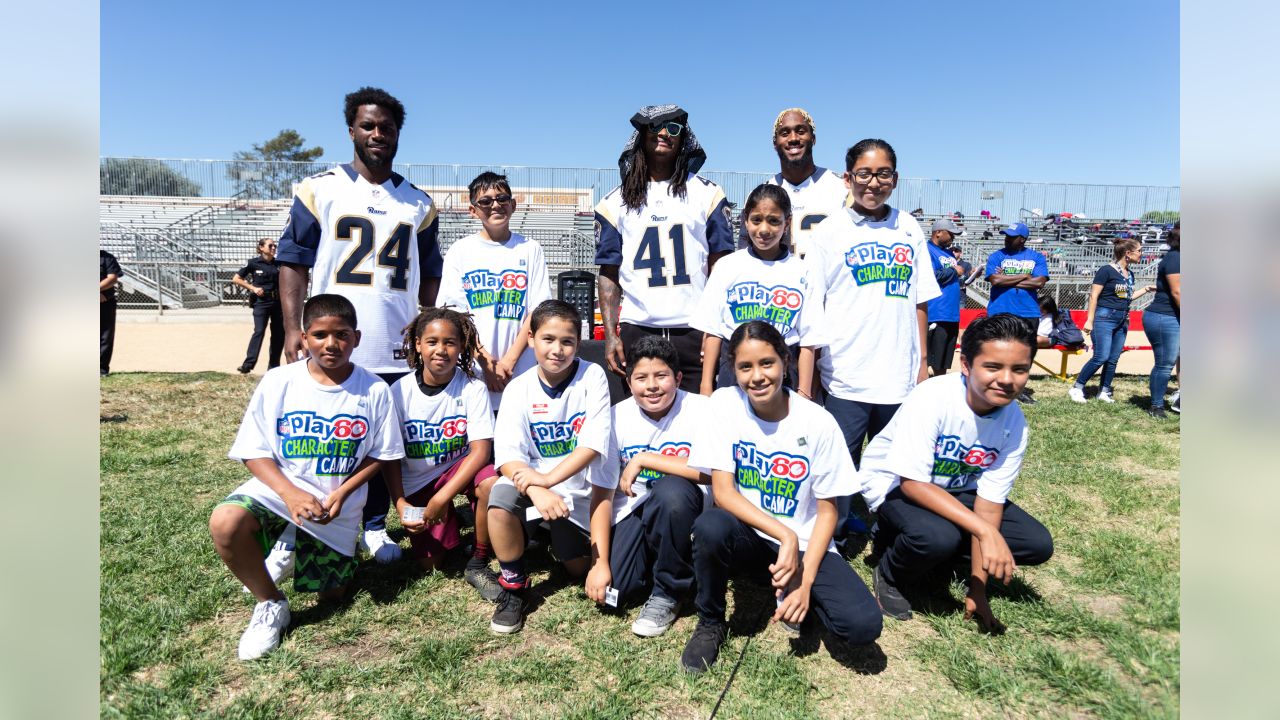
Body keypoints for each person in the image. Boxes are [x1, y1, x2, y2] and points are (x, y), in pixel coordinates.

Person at [276, 87, 444, 565]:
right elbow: (293, 260)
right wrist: (293, 327)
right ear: (351, 129)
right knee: (324, 434)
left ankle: (372, 525)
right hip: (335, 338)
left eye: (386, 128)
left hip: (394, 338)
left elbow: (430, 269)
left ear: (398, 135)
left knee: (383, 440)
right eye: (368, 126)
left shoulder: (417, 203)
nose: (377, 134)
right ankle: (301, 523)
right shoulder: (320, 188)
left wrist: (422, 323)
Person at [209, 294, 404, 660]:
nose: (331, 344)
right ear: (304, 337)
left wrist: (344, 493)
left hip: (334, 507)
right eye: (320, 335)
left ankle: (294, 540)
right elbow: (253, 450)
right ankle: (270, 602)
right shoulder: (279, 380)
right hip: (280, 493)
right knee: (226, 521)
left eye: (342, 335)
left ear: (357, 338)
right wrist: (290, 495)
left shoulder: (374, 389)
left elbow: (381, 454)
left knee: (331, 596)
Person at [680, 321, 882, 673]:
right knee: (710, 524)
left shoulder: (818, 422)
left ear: (785, 361)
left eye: (767, 363)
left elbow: (828, 512)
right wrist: (783, 534)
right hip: (749, 536)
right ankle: (710, 621)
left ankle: (794, 592)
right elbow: (724, 492)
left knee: (863, 625)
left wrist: (804, 581)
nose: (756, 376)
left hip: (805, 544)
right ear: (733, 369)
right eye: (745, 367)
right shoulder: (725, 405)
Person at [859, 314, 1053, 632]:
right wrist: (985, 533)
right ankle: (889, 569)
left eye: (1019, 369)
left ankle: (939, 558)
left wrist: (979, 588)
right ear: (966, 365)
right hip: (896, 483)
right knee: (937, 537)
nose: (1006, 379)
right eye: (993, 367)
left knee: (1035, 542)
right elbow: (913, 484)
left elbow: (989, 504)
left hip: (955, 489)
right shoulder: (933, 397)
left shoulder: (1014, 422)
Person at [805, 138, 941, 533]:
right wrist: (811, 376)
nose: (873, 182)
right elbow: (815, 308)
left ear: (895, 179)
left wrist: (921, 365)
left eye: (883, 173)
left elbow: (919, 301)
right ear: (848, 178)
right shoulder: (829, 231)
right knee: (841, 462)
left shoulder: (909, 227)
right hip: (847, 372)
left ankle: (889, 527)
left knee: (894, 460)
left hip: (898, 373)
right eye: (864, 173)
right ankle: (838, 529)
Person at [486, 300, 614, 634]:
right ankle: (513, 587)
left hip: (578, 491)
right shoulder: (519, 387)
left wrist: (546, 480)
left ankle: (546, 537)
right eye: (548, 339)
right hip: (537, 489)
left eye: (567, 341)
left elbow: (592, 446)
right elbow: (507, 457)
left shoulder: (592, 375)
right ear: (530, 339)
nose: (557, 350)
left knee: (575, 569)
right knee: (498, 500)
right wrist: (538, 487)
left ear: (579, 343)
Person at [595, 104, 735, 393]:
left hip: (695, 329)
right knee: (641, 421)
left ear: (684, 137)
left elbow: (722, 266)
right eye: (655, 127)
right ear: (640, 136)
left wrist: (715, 327)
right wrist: (611, 335)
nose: (664, 133)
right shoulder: (614, 202)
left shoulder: (708, 194)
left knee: (701, 420)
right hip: (639, 327)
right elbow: (609, 272)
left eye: (674, 128)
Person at [384, 307, 501, 600]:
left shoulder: (472, 388)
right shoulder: (398, 393)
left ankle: (480, 552)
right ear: (418, 345)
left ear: (462, 346)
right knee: (430, 564)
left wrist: (441, 498)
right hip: (419, 482)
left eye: (450, 342)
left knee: (491, 483)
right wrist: (400, 503)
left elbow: (480, 451)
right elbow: (391, 457)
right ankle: (454, 519)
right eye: (432, 341)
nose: (441, 350)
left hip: (459, 469)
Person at [601, 336, 711, 637]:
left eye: (661, 376)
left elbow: (714, 474)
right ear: (629, 381)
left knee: (669, 493)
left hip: (686, 504)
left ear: (677, 378)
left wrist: (648, 459)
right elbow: (603, 485)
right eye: (641, 378)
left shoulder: (702, 409)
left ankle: (668, 591)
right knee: (618, 590)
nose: (652, 386)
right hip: (635, 506)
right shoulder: (616, 416)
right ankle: (670, 560)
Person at [692, 184, 827, 396]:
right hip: (733, 368)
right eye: (756, 220)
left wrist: (804, 393)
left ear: (787, 223)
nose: (764, 229)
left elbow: (809, 341)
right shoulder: (728, 266)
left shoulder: (802, 270)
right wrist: (706, 386)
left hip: (784, 370)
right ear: (745, 220)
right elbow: (713, 331)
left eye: (774, 220)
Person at [437, 172, 552, 411]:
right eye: (486, 201)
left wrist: (509, 361)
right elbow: (454, 315)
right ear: (473, 210)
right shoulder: (460, 251)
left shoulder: (531, 249)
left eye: (502, 198)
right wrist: (486, 361)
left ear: (513, 204)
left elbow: (538, 312)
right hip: (474, 372)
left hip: (520, 371)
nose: (495, 205)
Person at [1069, 238, 1155, 404]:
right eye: (1139, 251)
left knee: (1113, 358)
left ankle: (1104, 391)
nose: (1141, 254)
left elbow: (1128, 297)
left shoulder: (1129, 274)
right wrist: (1090, 320)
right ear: (1128, 254)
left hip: (1122, 319)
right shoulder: (1106, 270)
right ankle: (1077, 388)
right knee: (1101, 356)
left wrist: (1146, 289)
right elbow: (1093, 295)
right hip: (1104, 318)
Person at [765, 108, 849, 258]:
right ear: (775, 143)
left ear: (813, 139)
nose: (793, 138)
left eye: (801, 131)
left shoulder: (842, 189)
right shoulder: (762, 194)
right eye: (784, 133)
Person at [984, 222, 1049, 404]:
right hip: (1000, 311)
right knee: (996, 350)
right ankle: (995, 385)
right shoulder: (997, 256)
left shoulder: (1036, 257)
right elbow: (995, 280)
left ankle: (1018, 389)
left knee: (1025, 352)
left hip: (1028, 312)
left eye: (1011, 237)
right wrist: (1025, 276)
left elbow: (1039, 283)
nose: (1007, 239)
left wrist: (1008, 279)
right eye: (1006, 235)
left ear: (1022, 240)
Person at [232, 238, 285, 374]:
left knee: (278, 334)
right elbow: (236, 278)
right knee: (259, 331)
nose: (273, 248)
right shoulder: (253, 263)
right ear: (261, 247)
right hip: (261, 302)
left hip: (278, 302)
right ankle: (248, 364)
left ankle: (273, 366)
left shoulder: (279, 263)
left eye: (275, 246)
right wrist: (252, 288)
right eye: (270, 245)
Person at [1144, 223, 1180, 419]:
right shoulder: (1175, 259)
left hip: (1173, 317)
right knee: (1164, 363)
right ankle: (1156, 405)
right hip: (1165, 317)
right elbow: (1177, 291)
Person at [926, 218, 965, 376]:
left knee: (944, 358)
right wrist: (954, 271)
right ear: (938, 233)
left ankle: (939, 384)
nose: (953, 238)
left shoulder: (948, 253)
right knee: (933, 356)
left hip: (951, 313)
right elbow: (931, 276)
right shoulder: (926, 250)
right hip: (936, 311)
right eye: (951, 234)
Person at [100, 249, 123, 377]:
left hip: (105, 303)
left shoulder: (107, 258)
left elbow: (113, 278)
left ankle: (101, 369)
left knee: (105, 336)